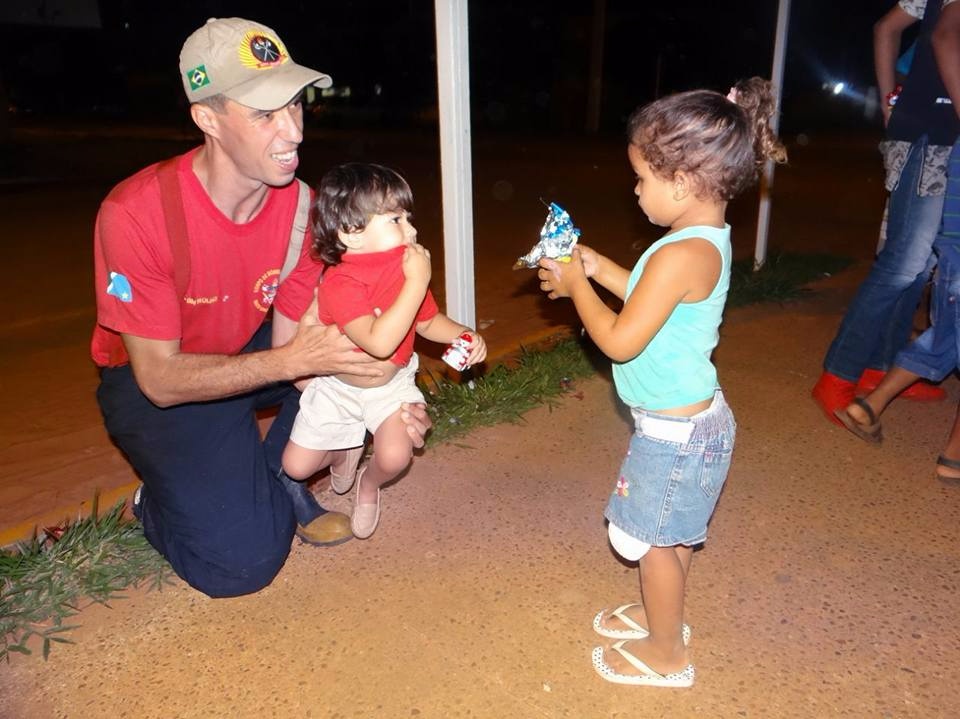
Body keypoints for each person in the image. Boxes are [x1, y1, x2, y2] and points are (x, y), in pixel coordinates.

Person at [92, 18, 430, 598]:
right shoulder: (137, 213)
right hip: (159, 378)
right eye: (264, 114)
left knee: (351, 351)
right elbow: (160, 381)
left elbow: (314, 342)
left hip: (251, 348)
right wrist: (298, 363)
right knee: (242, 566)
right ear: (208, 119)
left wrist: (383, 393)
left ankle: (271, 476)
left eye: (296, 106)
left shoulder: (307, 210)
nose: (293, 131)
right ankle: (160, 499)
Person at [537, 78, 786, 687]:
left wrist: (576, 292)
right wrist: (595, 267)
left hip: (674, 435)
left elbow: (622, 339)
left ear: (680, 183)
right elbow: (651, 300)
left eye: (642, 178)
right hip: (690, 423)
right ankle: (663, 618)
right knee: (671, 535)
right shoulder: (698, 242)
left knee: (650, 540)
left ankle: (667, 651)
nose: (635, 190)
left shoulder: (681, 254)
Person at [281, 163, 486, 538]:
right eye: (395, 219)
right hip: (338, 389)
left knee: (395, 456)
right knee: (296, 466)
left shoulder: (404, 271)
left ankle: (370, 484)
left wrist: (463, 333)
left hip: (389, 388)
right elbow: (377, 341)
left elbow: (425, 321)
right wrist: (418, 279)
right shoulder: (340, 281)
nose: (412, 229)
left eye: (408, 217)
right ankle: (345, 446)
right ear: (352, 233)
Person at [811, 0, 960, 425]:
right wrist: (890, 103)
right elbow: (938, 35)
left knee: (919, 265)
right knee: (903, 263)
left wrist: (890, 101)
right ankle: (837, 375)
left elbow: (886, 28)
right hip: (929, 136)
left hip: (935, 137)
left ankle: (880, 369)